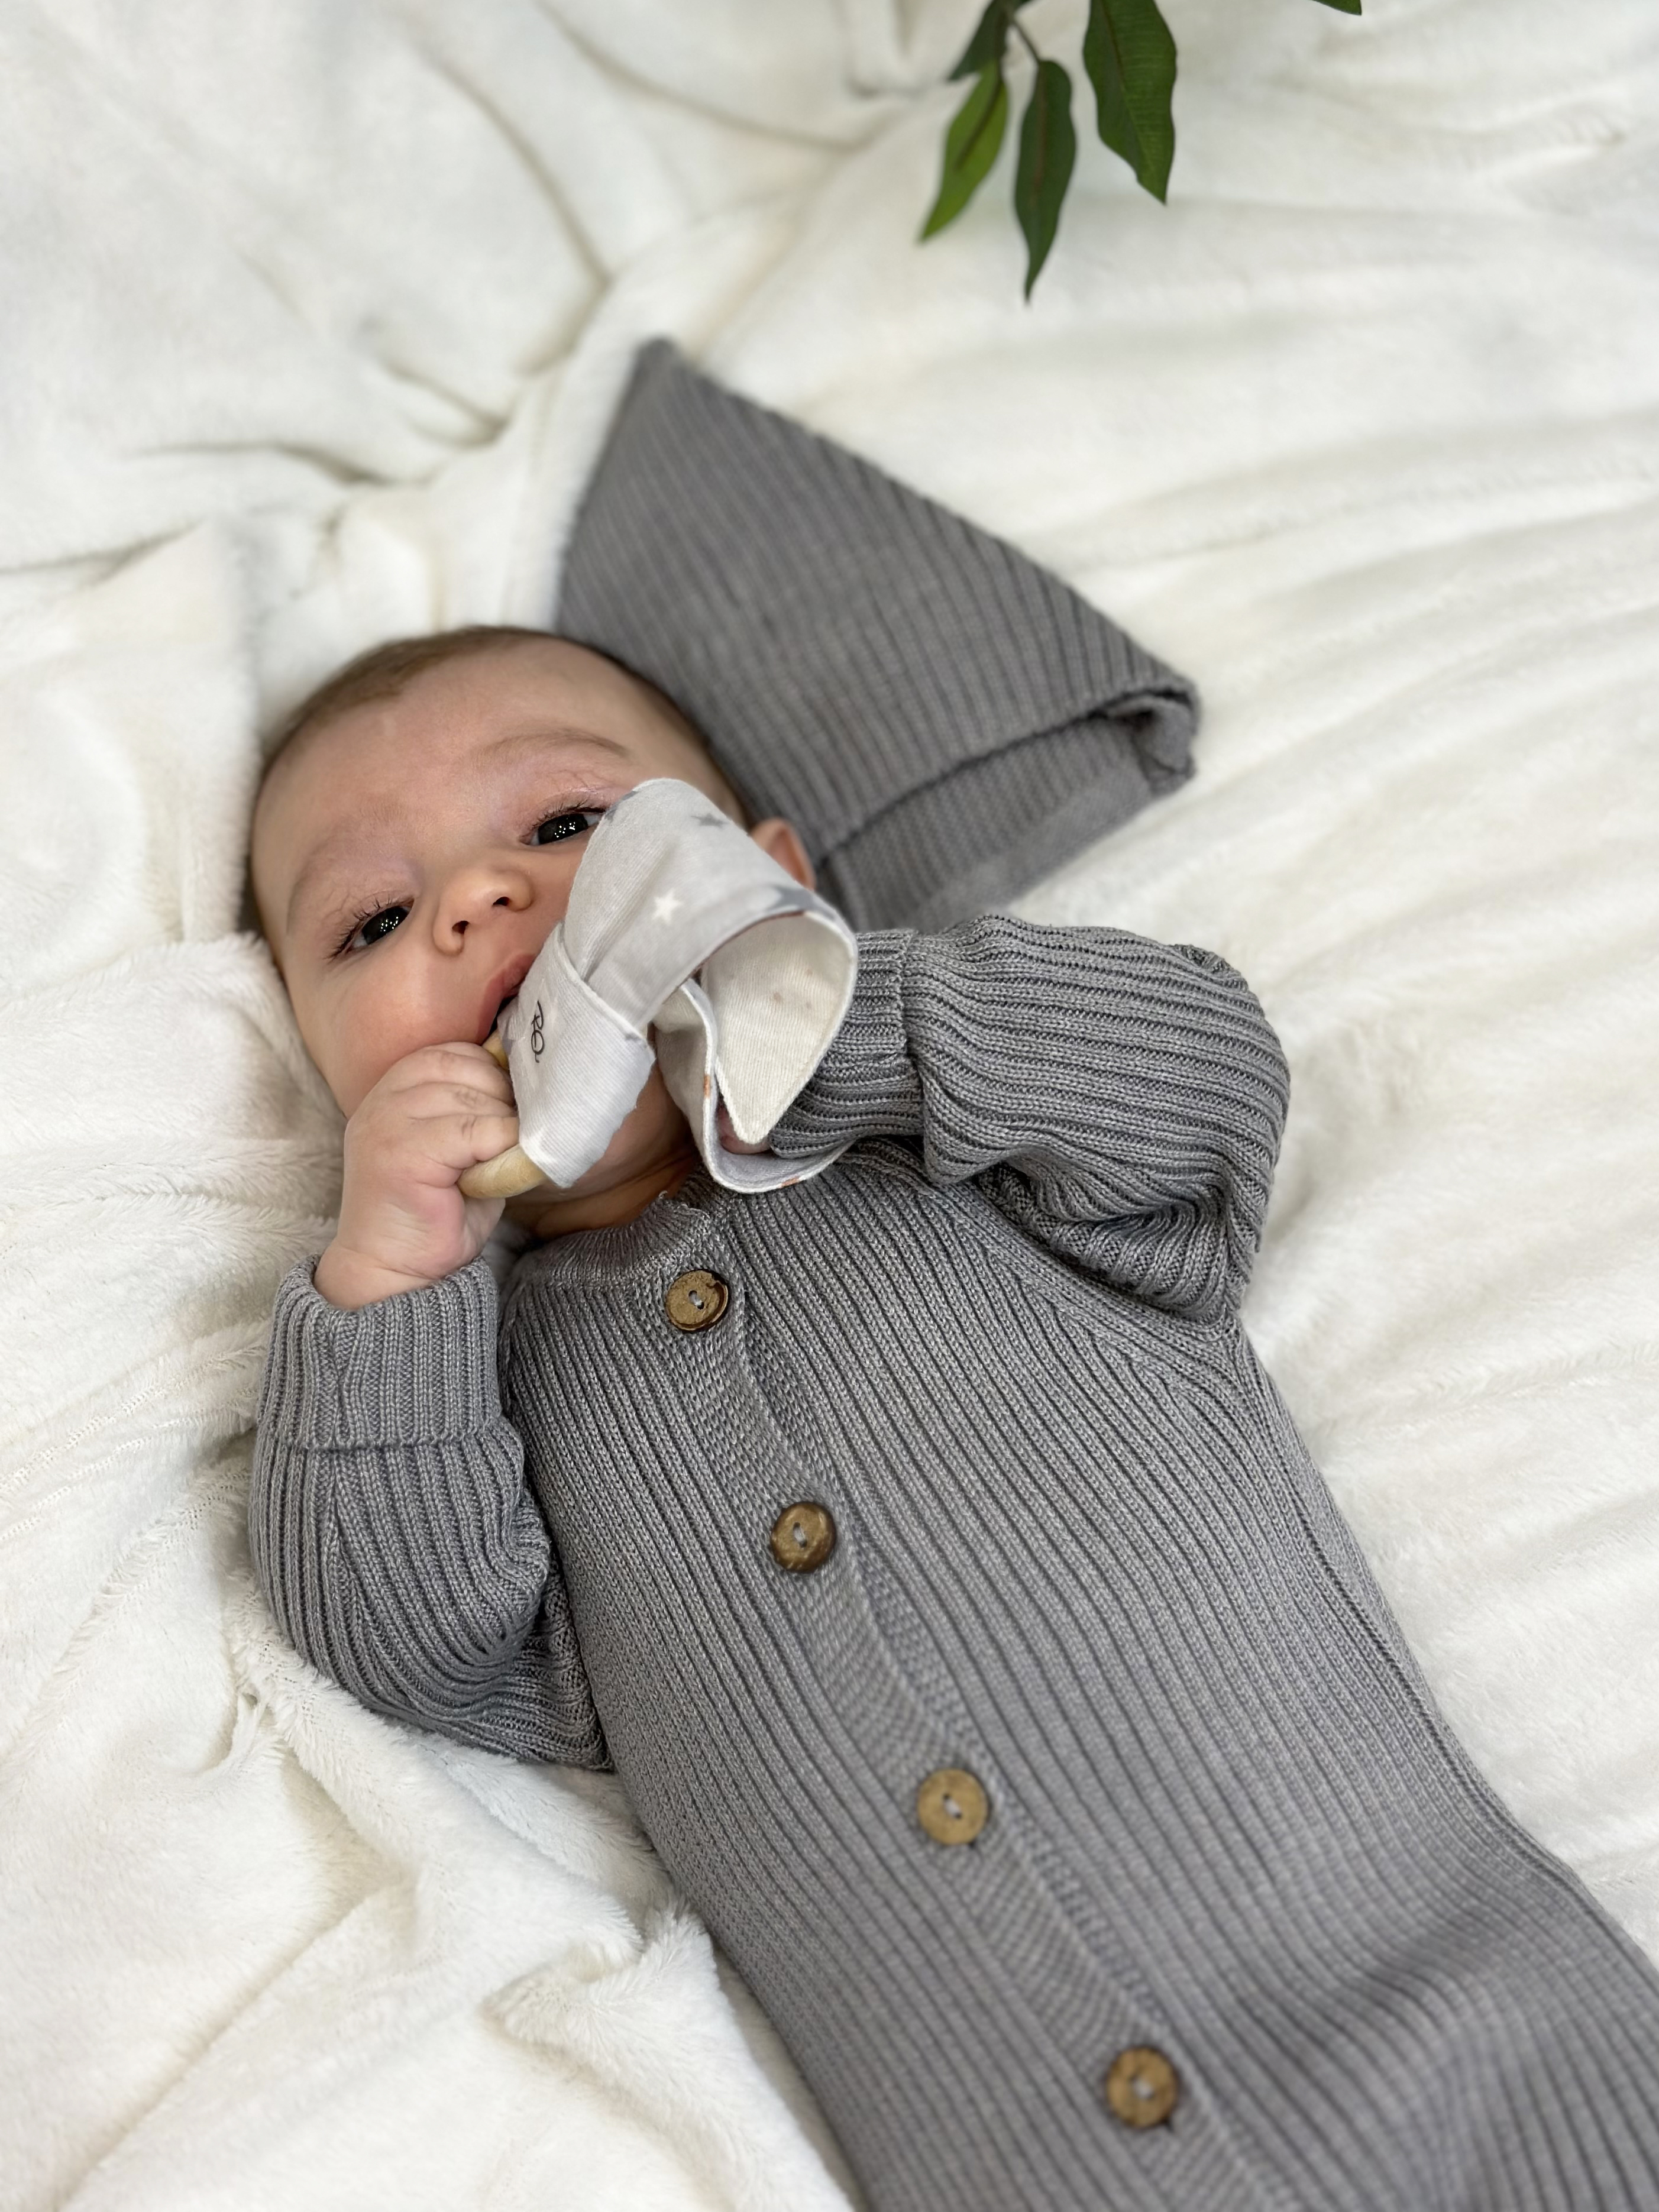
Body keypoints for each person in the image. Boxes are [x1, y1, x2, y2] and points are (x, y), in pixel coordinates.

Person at [248, 622, 1659, 2212]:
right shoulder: (489, 1388)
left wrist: (829, 1016)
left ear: (771, 876)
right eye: (373, 922)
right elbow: (409, 1639)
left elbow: (1204, 1080)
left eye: (568, 821)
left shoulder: (972, 1156)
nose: (477, 899)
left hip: (1495, 2055)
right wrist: (391, 1280)